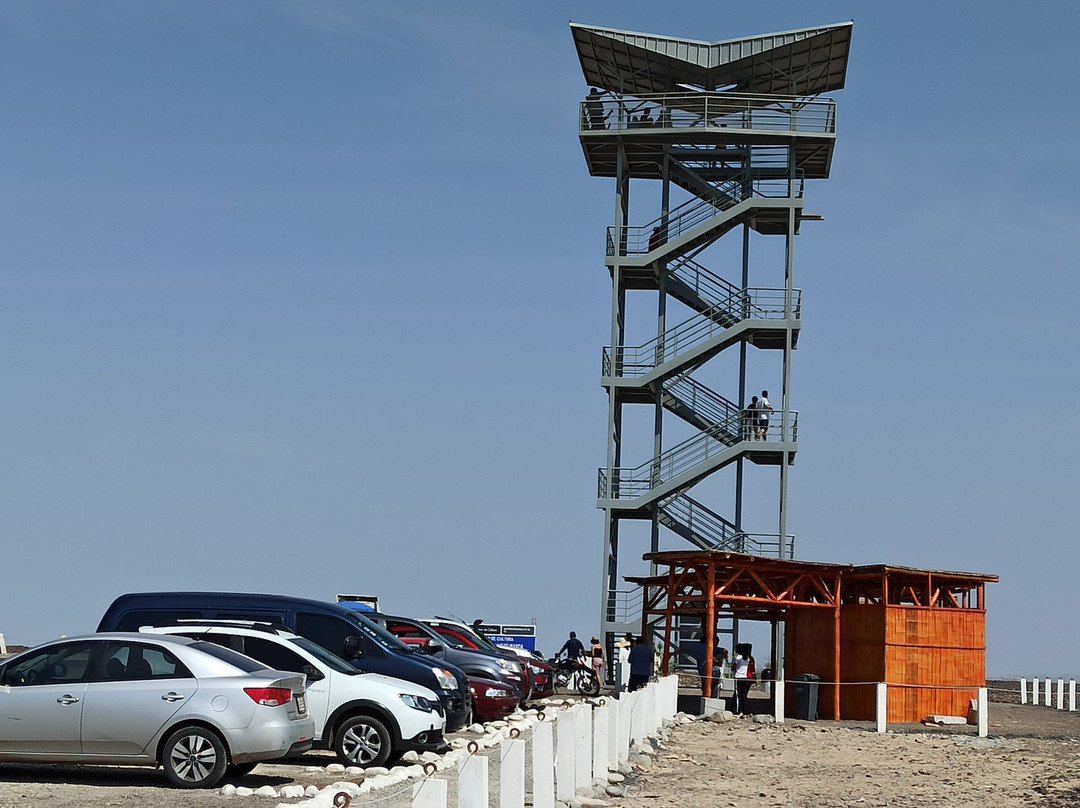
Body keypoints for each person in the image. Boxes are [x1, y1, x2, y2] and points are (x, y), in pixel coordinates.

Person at [733, 643, 755, 715]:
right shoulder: (750, 659)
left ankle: (739, 710)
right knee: (744, 695)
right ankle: (745, 710)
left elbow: (733, 668)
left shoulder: (739, 658)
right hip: (747, 678)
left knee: (738, 695)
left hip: (739, 677)